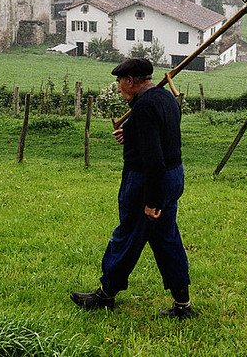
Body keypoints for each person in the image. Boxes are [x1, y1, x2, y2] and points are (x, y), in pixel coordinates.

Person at [70, 57, 193, 319]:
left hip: (147, 181)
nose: (117, 88)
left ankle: (105, 295)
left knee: (127, 236)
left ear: (130, 81)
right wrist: (133, 131)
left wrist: (152, 201)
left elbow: (153, 159)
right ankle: (183, 305)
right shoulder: (167, 98)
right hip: (173, 177)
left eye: (119, 82)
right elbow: (164, 133)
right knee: (167, 238)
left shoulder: (145, 106)